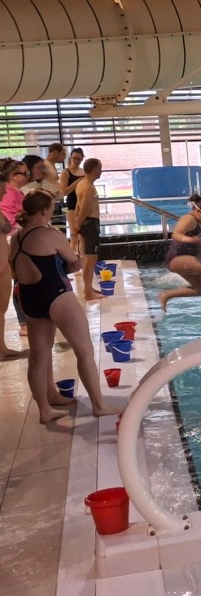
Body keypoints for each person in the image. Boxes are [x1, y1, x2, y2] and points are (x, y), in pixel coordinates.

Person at [9, 189, 119, 423]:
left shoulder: (16, 237)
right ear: (43, 210)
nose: (53, 210)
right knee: (84, 350)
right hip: (56, 294)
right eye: (51, 207)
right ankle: (99, 406)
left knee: (38, 356)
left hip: (29, 297)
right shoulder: (50, 234)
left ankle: (45, 410)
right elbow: (74, 263)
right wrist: (76, 260)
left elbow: (14, 270)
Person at [0, 170, 28, 360]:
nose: (4, 193)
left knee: (1, 309)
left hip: (4, 264)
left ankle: (2, 347)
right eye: (2, 189)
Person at [73, 158, 103, 300]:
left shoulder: (81, 184)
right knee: (90, 260)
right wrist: (77, 226)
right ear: (95, 170)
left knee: (87, 259)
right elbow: (84, 209)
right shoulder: (88, 188)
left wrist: (77, 224)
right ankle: (88, 293)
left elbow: (78, 207)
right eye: (100, 169)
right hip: (90, 224)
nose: (101, 171)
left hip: (87, 224)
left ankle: (89, 288)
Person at [59, 147, 85, 252]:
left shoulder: (83, 171)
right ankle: (72, 258)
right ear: (71, 158)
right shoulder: (66, 172)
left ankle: (82, 257)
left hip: (83, 204)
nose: (76, 161)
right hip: (72, 205)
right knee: (74, 233)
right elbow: (64, 192)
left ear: (82, 159)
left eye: (78, 159)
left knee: (83, 235)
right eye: (74, 158)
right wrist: (78, 181)